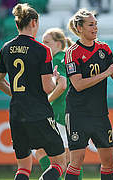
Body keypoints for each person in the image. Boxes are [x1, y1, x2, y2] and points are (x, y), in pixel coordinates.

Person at [0, 3, 66, 180]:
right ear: (34, 22)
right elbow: (47, 88)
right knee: (59, 163)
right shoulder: (43, 50)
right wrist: (58, 79)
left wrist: (18, 94)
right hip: (39, 113)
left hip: (17, 113)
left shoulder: (6, 48)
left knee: (24, 167)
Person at [64, 8, 113, 180]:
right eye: (91, 25)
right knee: (76, 161)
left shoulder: (104, 48)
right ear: (80, 28)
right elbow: (78, 84)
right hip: (78, 113)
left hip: (100, 113)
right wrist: (105, 73)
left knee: (108, 161)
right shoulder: (72, 53)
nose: (95, 28)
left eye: (96, 24)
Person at [34, 28, 83, 180]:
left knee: (46, 153)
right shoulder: (65, 58)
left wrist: (45, 100)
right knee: (68, 158)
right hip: (67, 112)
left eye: (47, 42)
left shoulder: (56, 59)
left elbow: (62, 85)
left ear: (59, 43)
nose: (44, 45)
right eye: (42, 42)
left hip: (59, 113)